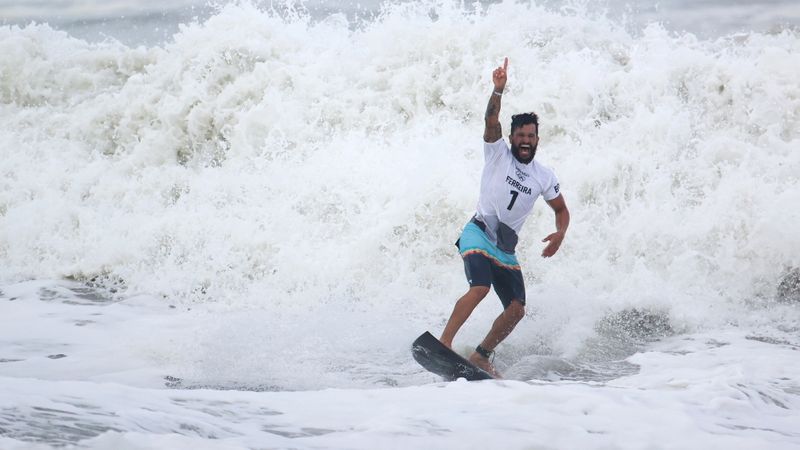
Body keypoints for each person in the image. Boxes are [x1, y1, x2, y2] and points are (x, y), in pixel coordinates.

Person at [439, 57, 570, 378]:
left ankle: (482, 355)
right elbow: (491, 121)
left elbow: (561, 209)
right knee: (480, 287)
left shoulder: (543, 175)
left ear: (537, 139)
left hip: (505, 249)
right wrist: (498, 91)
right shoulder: (497, 152)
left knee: (516, 310)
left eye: (531, 136)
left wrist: (560, 233)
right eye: (521, 135)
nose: (526, 140)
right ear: (511, 138)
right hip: (478, 233)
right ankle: (444, 342)